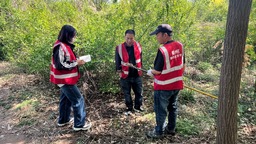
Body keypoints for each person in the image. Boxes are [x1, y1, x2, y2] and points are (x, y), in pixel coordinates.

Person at [146, 24, 185, 138]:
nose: (156, 37)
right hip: (177, 84)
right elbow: (183, 65)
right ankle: (171, 128)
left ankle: (158, 132)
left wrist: (150, 72)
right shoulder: (180, 46)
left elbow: (157, 71)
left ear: (165, 35)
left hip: (163, 87)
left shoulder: (163, 50)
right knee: (173, 107)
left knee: (160, 109)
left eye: (158, 35)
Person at [50, 25, 91, 131]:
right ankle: (79, 124)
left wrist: (77, 60)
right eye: (73, 35)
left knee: (66, 99)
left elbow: (68, 59)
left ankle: (63, 120)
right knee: (78, 99)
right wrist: (76, 63)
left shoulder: (65, 45)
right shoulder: (60, 46)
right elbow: (61, 65)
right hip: (64, 79)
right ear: (68, 35)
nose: (74, 37)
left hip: (66, 79)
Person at [115, 29, 144, 115]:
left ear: (134, 38)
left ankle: (138, 107)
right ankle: (129, 108)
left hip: (136, 74)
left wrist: (140, 68)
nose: (129, 40)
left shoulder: (138, 46)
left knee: (139, 92)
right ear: (125, 37)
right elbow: (117, 61)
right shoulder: (119, 48)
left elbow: (140, 59)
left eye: (131, 38)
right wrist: (119, 71)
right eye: (127, 38)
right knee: (127, 93)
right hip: (125, 75)